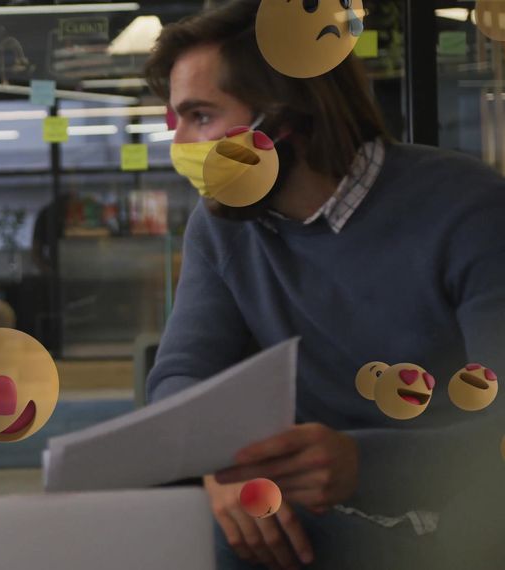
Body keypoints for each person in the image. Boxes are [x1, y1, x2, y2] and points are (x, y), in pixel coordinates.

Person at [142, 1, 505, 569]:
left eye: (202, 116)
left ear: (286, 121)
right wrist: (217, 467)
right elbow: (181, 375)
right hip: (314, 519)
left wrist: (363, 464)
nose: (180, 142)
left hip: (464, 512)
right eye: (176, 119)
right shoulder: (222, 225)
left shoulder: (468, 208)